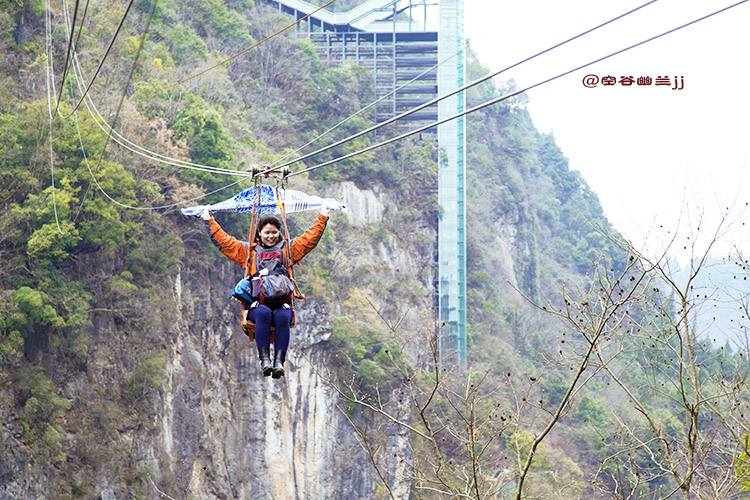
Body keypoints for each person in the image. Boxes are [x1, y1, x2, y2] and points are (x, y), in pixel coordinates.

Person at [201, 206, 330, 378]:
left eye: (274, 232)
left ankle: (279, 361)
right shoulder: (249, 252)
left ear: (279, 233)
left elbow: (309, 239)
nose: (271, 236)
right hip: (257, 305)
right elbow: (225, 242)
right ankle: (265, 359)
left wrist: (322, 217)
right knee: (263, 315)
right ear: (259, 233)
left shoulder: (288, 250)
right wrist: (209, 221)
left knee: (283, 317)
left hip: (282, 303)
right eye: (267, 233)